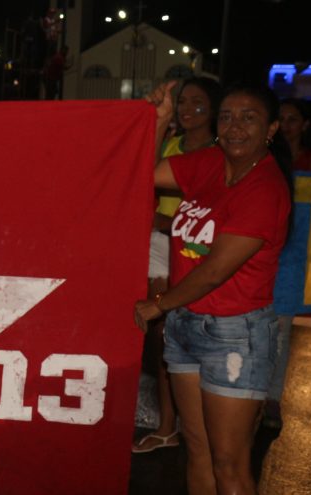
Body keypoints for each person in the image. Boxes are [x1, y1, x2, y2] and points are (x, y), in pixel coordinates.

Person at [136, 81, 291, 495]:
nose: (235, 126)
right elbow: (140, 174)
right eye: (227, 116)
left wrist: (158, 305)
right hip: (187, 326)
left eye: (249, 117)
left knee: (230, 463)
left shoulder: (265, 188)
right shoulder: (207, 164)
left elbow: (215, 270)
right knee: (199, 451)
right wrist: (161, 119)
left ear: (271, 129)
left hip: (234, 335)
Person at [134, 76, 222, 454]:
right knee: (163, 338)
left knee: (195, 337)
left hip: (199, 251)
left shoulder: (223, 153)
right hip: (160, 247)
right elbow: (141, 179)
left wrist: (166, 222)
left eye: (197, 103)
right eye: (182, 102)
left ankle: (203, 425)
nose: (187, 110)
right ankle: (167, 426)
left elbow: (214, 215)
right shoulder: (170, 145)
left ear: (215, 108)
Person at [278, 99, 311, 172]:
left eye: (292, 120)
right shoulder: (266, 157)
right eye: (281, 119)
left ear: (305, 125)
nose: (284, 125)